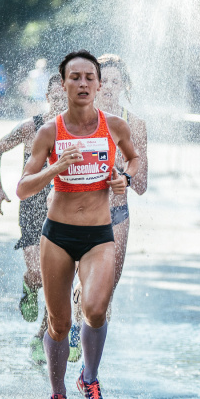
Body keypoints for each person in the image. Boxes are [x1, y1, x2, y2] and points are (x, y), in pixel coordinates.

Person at [16, 50, 140, 399]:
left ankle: (89, 377)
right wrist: (56, 167)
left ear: (99, 85)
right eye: (75, 77)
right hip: (58, 235)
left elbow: (134, 160)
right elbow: (22, 188)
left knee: (96, 309)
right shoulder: (49, 131)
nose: (83, 84)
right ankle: (57, 396)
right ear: (63, 84)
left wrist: (126, 179)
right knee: (58, 322)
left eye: (90, 77)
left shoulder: (115, 126)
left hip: (99, 236)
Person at [0, 74, 81, 364]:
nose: (58, 103)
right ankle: (30, 285)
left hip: (64, 208)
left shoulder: (78, 129)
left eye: (63, 98)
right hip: (33, 206)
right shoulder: (33, 127)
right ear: (47, 98)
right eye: (54, 98)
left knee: (63, 284)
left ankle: (46, 335)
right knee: (40, 276)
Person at [71, 54, 148, 323]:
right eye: (107, 80)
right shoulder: (77, 118)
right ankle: (76, 326)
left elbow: (142, 185)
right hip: (80, 213)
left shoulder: (135, 125)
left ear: (124, 86)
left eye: (118, 81)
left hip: (116, 215)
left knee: (106, 296)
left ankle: (90, 363)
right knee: (87, 286)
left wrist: (124, 172)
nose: (111, 86)